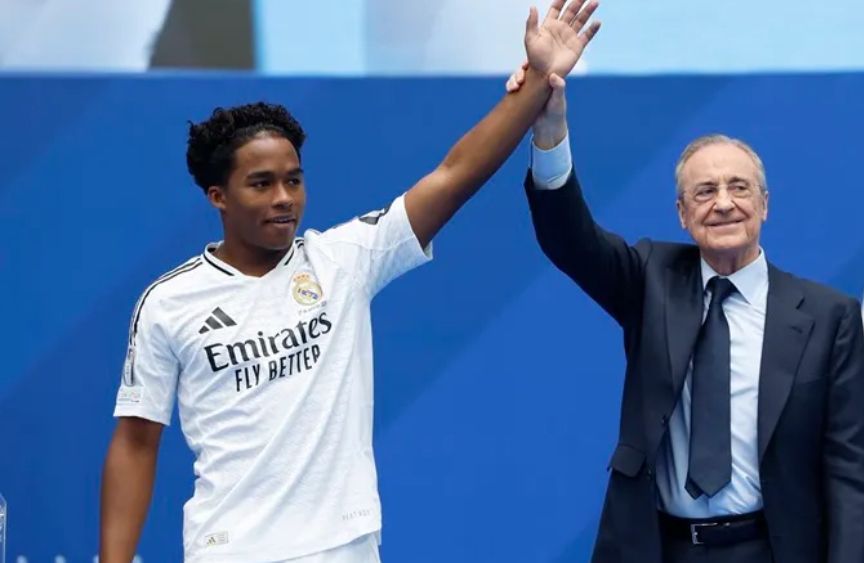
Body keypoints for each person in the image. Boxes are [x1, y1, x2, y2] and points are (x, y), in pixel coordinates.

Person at [98, 2, 601, 561]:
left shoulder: (343, 259)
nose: (284, 198)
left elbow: (454, 175)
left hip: (345, 545)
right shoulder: (168, 302)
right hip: (230, 548)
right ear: (218, 196)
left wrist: (536, 81)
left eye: (293, 179)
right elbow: (136, 443)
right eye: (261, 184)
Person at [506, 68, 864, 562]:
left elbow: (850, 476)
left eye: (739, 188)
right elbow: (569, 238)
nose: (723, 204)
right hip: (661, 549)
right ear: (682, 214)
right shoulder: (649, 280)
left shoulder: (830, 316)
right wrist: (549, 129)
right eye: (705, 192)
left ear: (764, 205)